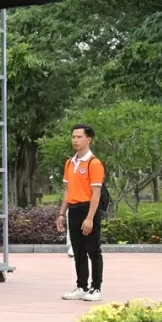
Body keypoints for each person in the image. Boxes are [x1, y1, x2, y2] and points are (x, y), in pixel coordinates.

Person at [58, 124, 106, 303]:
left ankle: (96, 287)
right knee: (78, 250)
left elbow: (96, 193)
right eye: (73, 137)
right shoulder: (70, 162)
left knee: (93, 250)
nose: (75, 140)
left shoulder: (94, 163)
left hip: (88, 209)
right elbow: (67, 190)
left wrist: (90, 218)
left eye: (79, 137)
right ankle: (81, 285)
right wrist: (62, 213)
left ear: (88, 139)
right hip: (74, 209)